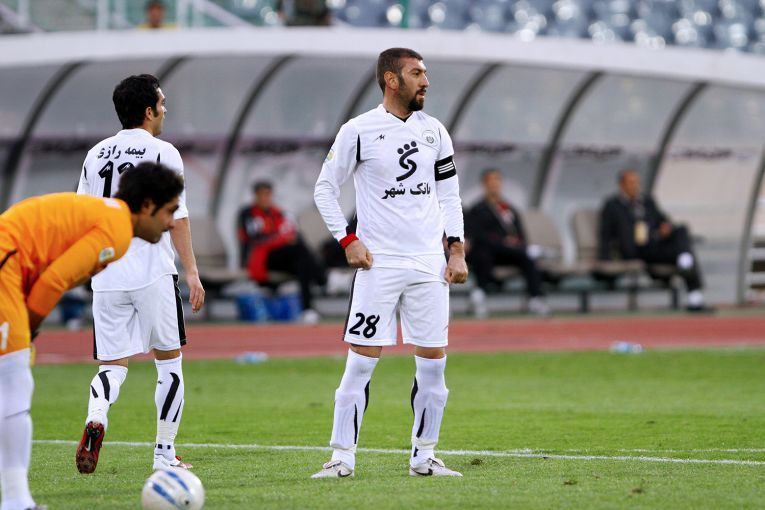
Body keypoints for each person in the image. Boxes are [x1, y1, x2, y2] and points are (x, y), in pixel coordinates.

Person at [312, 47, 468, 478]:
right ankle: (342, 457)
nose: (426, 81)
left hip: (428, 265)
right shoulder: (358, 130)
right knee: (361, 362)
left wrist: (455, 249)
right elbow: (325, 189)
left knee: (434, 364)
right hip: (378, 265)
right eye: (417, 73)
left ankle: (424, 456)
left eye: (425, 73)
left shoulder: (435, 131)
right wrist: (347, 239)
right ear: (391, 80)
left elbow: (450, 195)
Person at [0, 164, 184, 510]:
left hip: (9, 262)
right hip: (5, 263)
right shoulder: (115, 230)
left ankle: (17, 500)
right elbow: (54, 281)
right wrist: (28, 329)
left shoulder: (111, 219)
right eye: (170, 211)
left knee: (12, 383)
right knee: (14, 382)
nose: (172, 222)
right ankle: (16, 502)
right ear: (147, 206)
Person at [74, 74, 205, 475]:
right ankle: (164, 454)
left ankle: (97, 416)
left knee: (112, 366)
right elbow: (177, 217)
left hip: (107, 274)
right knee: (169, 364)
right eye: (162, 104)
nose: (165, 110)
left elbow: (82, 216)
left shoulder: (96, 154)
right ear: (149, 111)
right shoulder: (164, 152)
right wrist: (193, 272)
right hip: (152, 271)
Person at [599, 169, 710, 312]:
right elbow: (605, 234)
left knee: (681, 230)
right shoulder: (612, 205)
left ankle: (685, 260)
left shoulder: (646, 201)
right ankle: (694, 293)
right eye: (631, 183)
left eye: (637, 183)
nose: (635, 186)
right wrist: (604, 257)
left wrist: (665, 227)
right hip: (637, 249)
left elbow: (663, 220)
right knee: (685, 252)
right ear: (622, 185)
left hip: (656, 244)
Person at [237, 181, 326, 324]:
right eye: (261, 195)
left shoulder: (278, 213)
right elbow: (256, 240)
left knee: (302, 262)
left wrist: (286, 238)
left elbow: (291, 232)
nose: (265, 198)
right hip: (262, 259)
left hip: (282, 257)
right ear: (255, 196)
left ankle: (307, 310)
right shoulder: (247, 214)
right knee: (299, 249)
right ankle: (322, 278)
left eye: (268, 194)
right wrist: (282, 238)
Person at [465, 169, 549, 318]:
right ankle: (479, 294)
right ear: (484, 184)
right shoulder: (477, 209)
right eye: (491, 181)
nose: (494, 184)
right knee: (484, 252)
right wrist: (502, 242)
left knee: (528, 258)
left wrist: (515, 242)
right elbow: (476, 236)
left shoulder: (509, 209)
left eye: (497, 180)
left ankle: (535, 298)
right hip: (486, 253)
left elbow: (520, 234)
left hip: (509, 253)